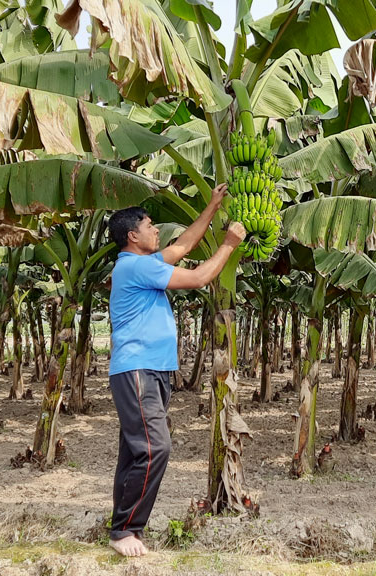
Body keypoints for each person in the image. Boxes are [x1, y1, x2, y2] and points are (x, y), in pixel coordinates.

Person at [105, 183, 245, 557]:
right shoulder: (136, 267)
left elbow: (182, 246)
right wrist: (229, 244)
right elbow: (199, 277)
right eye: (151, 226)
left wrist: (212, 207)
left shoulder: (140, 263)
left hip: (150, 370)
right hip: (138, 368)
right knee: (155, 449)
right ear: (133, 235)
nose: (157, 231)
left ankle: (121, 526)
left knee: (134, 452)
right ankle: (126, 531)